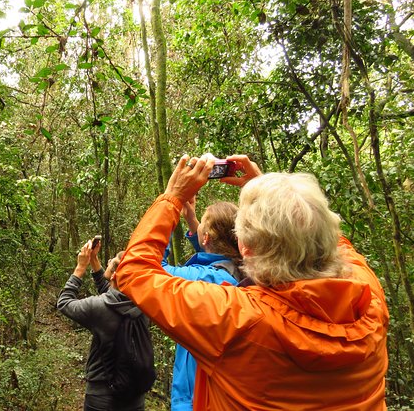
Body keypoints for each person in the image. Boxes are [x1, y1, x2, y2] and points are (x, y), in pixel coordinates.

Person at [115, 154, 388, 410]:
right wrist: (274, 194)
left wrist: (172, 198)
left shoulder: (237, 319)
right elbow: (333, 243)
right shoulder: (370, 299)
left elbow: (134, 270)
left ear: (245, 248)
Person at [161, 198, 243, 410]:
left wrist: (170, 213)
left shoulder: (206, 280)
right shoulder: (243, 271)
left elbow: (149, 267)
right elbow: (217, 257)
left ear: (205, 238)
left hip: (195, 399)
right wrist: (192, 220)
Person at [57, 239, 151, 411]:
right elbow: (113, 293)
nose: (109, 261)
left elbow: (64, 303)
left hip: (101, 399)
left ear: (115, 275)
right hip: (135, 398)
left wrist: (80, 268)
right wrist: (94, 261)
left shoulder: (100, 308)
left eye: (112, 260)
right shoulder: (145, 305)